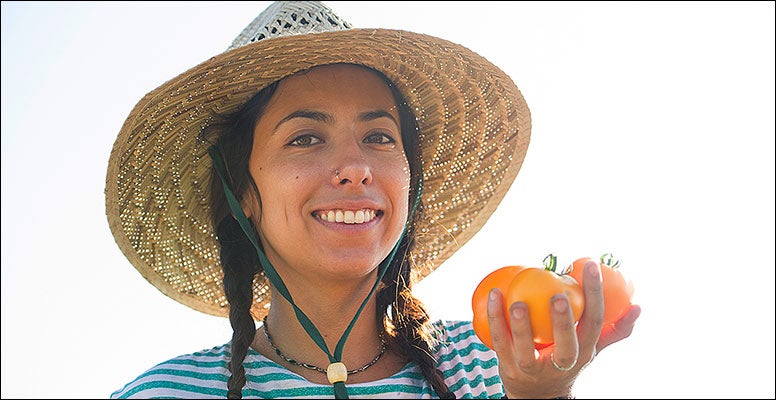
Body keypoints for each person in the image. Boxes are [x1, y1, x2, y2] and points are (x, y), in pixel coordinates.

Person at [105, 2, 641, 399]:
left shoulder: (493, 366)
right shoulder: (166, 393)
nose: (357, 167)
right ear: (242, 191)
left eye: (380, 137)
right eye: (306, 138)